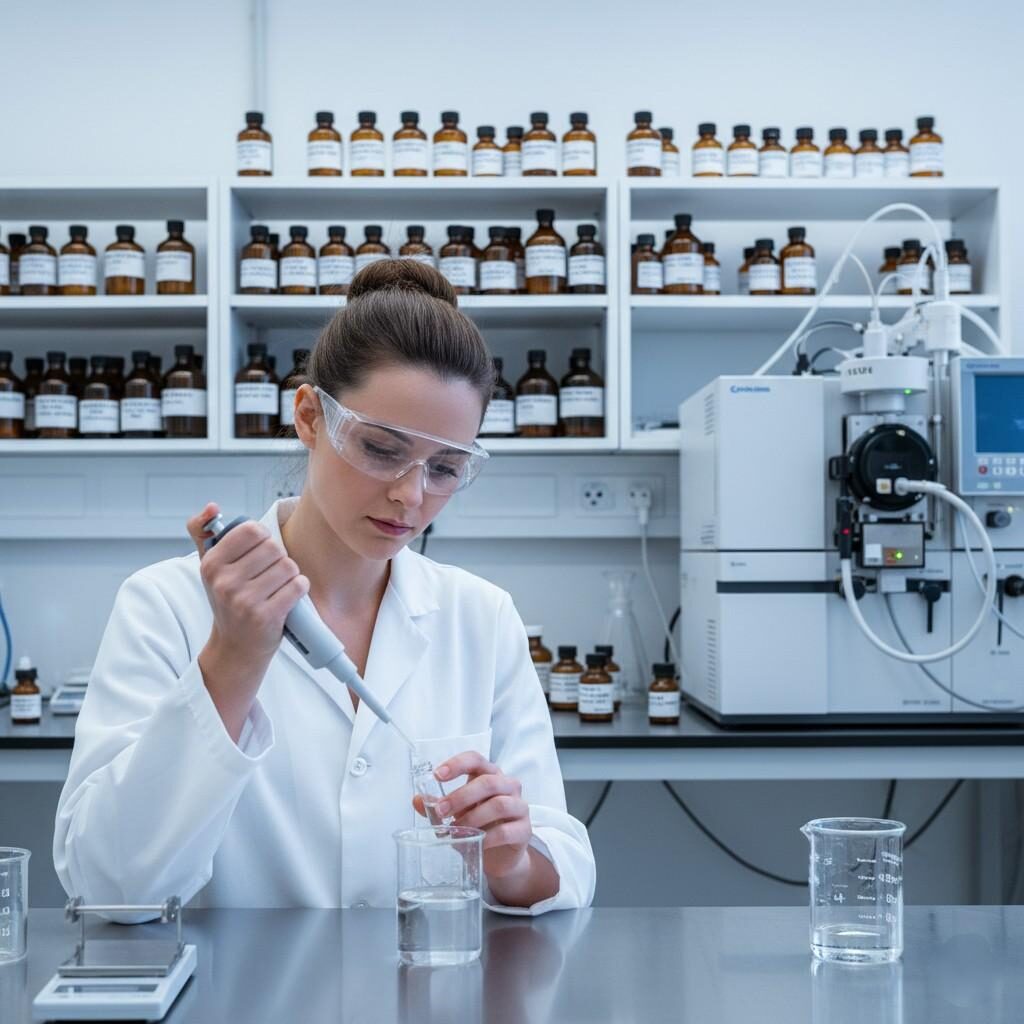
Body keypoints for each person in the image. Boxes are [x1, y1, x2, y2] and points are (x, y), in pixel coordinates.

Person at [53, 260, 595, 919]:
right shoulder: (165, 605)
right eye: (381, 449)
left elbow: (561, 863)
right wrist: (233, 657)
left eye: (446, 467)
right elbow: (107, 890)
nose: (410, 495)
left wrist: (509, 857)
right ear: (310, 417)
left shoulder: (480, 616)